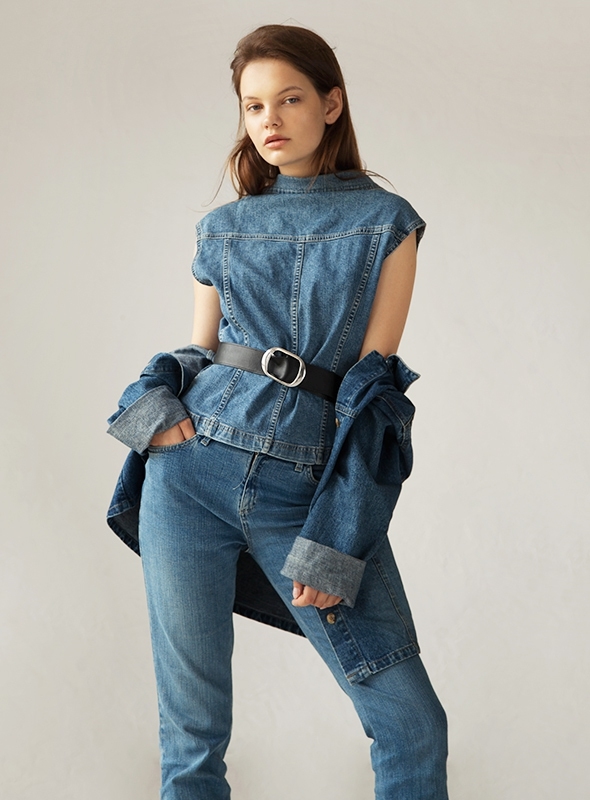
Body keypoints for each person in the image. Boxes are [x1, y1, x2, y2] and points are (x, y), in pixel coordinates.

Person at [106, 23, 449, 800]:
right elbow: (196, 355)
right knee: (191, 740)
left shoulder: (388, 222)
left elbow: (373, 393)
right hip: (187, 477)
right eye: (254, 105)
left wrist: (338, 541)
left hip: (303, 488)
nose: (270, 120)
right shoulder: (220, 228)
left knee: (411, 724)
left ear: (331, 104)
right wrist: (152, 414)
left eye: (290, 99)